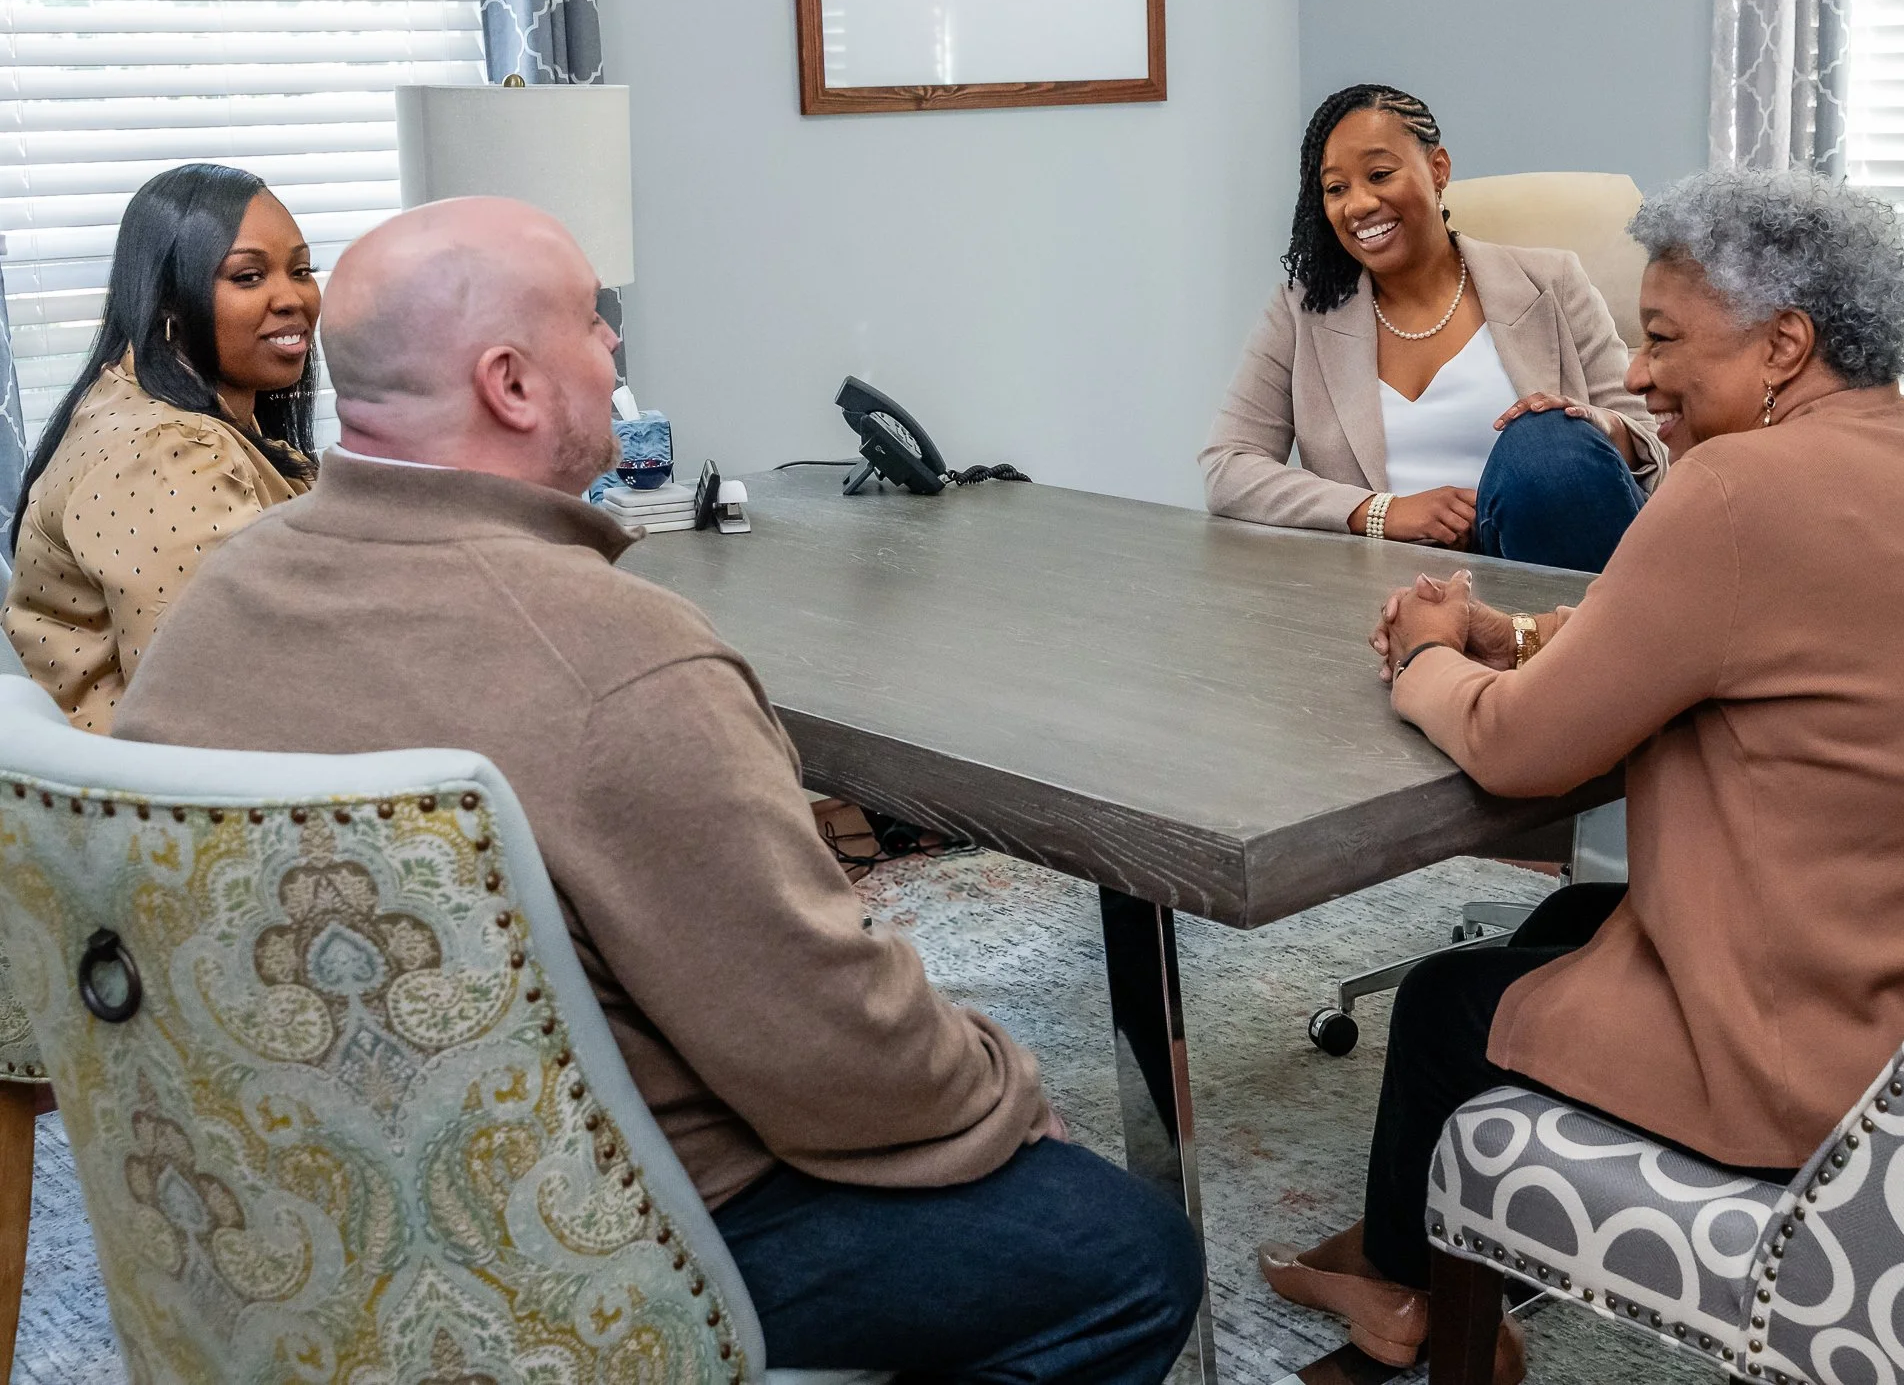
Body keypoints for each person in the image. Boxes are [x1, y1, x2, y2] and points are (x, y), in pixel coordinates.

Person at [113, 196, 1203, 1385]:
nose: (617, 347)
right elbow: (832, 1055)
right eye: (595, 320)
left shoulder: (220, 598)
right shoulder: (618, 658)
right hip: (595, 1243)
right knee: (1128, 1253)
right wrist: (1003, 1086)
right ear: (512, 384)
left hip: (287, 1214)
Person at [1257, 168, 1904, 1378]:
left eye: (1665, 338)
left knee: (1441, 1006)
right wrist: (1508, 640)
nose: (1633, 372)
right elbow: (1735, 653)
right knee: (1579, 918)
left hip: (1813, 1059)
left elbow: (1522, 745)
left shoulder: (1732, 487)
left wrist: (1422, 658)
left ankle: (1409, 1305)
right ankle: (1442, 1244)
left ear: (1784, 344)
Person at [1201, 85, 1665, 571]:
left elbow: (1656, 451)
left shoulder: (1552, 283)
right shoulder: (1302, 312)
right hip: (1393, 587)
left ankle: (1567, 640)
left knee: (1543, 440)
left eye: (1379, 175)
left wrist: (1594, 425)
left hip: (1545, 564)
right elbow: (1228, 468)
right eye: (1336, 188)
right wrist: (1382, 512)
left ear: (1438, 169)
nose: (1357, 205)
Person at [3, 164, 319, 730]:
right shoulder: (167, 454)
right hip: (167, 802)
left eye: (301, 270)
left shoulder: (132, 399)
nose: (292, 297)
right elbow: (216, 700)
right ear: (169, 302)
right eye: (249, 277)